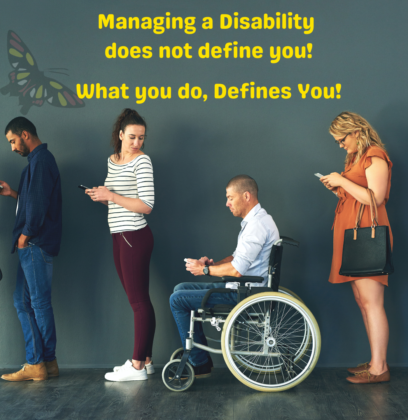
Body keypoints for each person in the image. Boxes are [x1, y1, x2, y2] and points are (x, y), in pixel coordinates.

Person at [170, 175, 279, 378]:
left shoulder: (256, 226)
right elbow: (237, 258)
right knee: (180, 288)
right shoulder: (258, 220)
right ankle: (198, 355)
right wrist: (213, 264)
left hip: (245, 293)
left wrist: (204, 271)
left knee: (178, 299)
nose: (227, 203)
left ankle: (199, 362)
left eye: (230, 197)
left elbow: (237, 270)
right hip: (242, 287)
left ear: (246, 196)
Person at [321, 111, 392, 384]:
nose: (340, 145)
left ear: (356, 132)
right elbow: (355, 194)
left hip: (366, 238)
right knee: (362, 301)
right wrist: (337, 186)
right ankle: (375, 361)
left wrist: (342, 181)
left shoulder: (375, 155)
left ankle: (380, 368)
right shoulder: (355, 158)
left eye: (341, 139)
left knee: (372, 303)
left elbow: (376, 198)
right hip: (353, 236)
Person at [85, 108, 155, 382]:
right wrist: (101, 196)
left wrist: (111, 195)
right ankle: (147, 360)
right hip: (118, 235)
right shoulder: (112, 161)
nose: (137, 143)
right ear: (120, 135)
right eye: (132, 138)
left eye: (141, 138)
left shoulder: (143, 161)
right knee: (139, 301)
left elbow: (146, 206)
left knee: (138, 302)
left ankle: (137, 365)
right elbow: (115, 198)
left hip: (134, 236)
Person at [0, 117, 62, 381]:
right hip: (35, 244)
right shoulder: (39, 162)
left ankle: (38, 363)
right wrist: (13, 193)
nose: (12, 148)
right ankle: (46, 363)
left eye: (13, 141)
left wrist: (25, 236)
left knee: (35, 303)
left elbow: (36, 209)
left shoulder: (40, 161)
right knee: (28, 302)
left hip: (34, 244)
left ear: (25, 134)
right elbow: (35, 200)